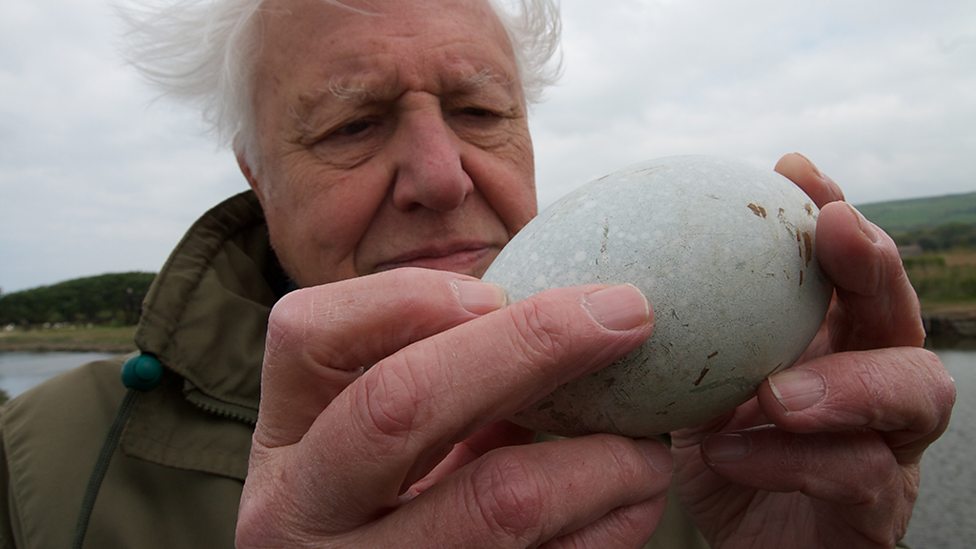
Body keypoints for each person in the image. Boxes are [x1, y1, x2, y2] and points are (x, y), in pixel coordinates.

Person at [0, 0, 955, 547]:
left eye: (480, 110)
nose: (442, 174)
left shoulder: (704, 429)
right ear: (258, 175)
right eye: (351, 124)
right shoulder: (42, 464)